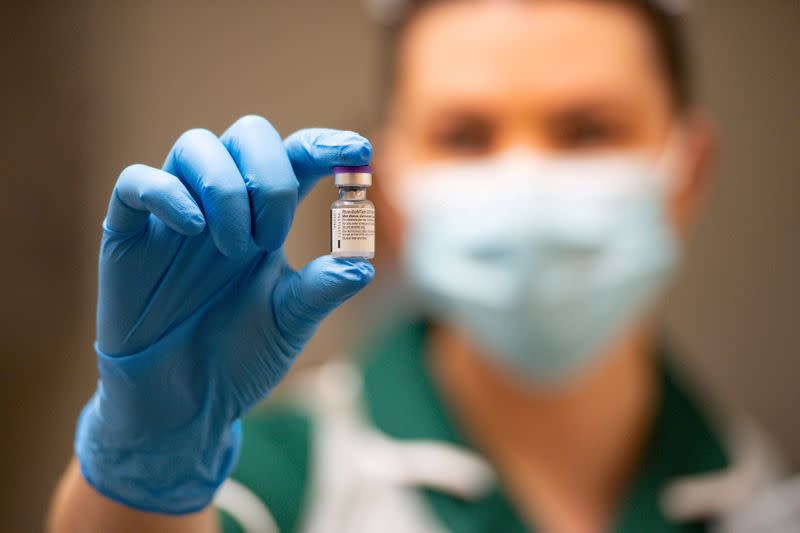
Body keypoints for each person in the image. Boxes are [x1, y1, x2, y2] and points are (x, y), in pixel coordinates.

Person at [47, 1, 793, 532]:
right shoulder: (271, 478)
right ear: (391, 187)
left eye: (587, 130)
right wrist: (144, 476)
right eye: (465, 135)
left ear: (687, 174)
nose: (524, 184)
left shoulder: (762, 494)